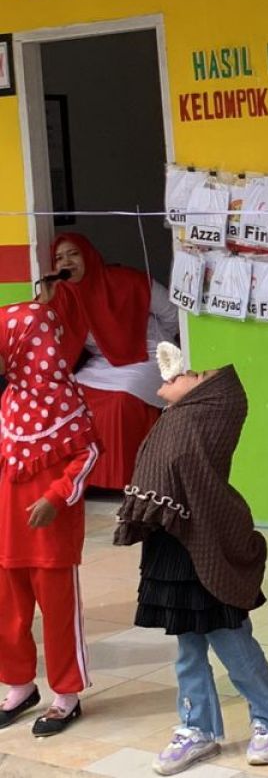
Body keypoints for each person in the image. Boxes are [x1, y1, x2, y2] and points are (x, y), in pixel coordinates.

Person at [114, 352, 268, 775]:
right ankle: (197, 728)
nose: (184, 371)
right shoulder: (172, 420)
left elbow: (190, 476)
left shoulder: (199, 423)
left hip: (204, 543)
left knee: (232, 642)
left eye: (196, 375)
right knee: (188, 648)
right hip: (170, 548)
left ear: (209, 398)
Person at [0, 301, 100, 737]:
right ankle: (20, 686)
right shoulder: (9, 398)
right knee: (7, 615)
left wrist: (56, 497)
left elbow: (88, 453)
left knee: (59, 616)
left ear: (25, 345)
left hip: (51, 534)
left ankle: (67, 695)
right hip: (7, 530)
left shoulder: (65, 399)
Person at [45, 233, 179, 490]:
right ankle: (76, 479)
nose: (67, 262)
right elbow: (39, 330)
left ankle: (119, 480)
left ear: (88, 255)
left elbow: (173, 315)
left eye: (73, 254)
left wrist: (148, 338)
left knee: (120, 400)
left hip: (149, 355)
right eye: (59, 258)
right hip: (105, 361)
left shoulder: (129, 280)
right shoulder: (63, 296)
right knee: (68, 397)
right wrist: (46, 299)